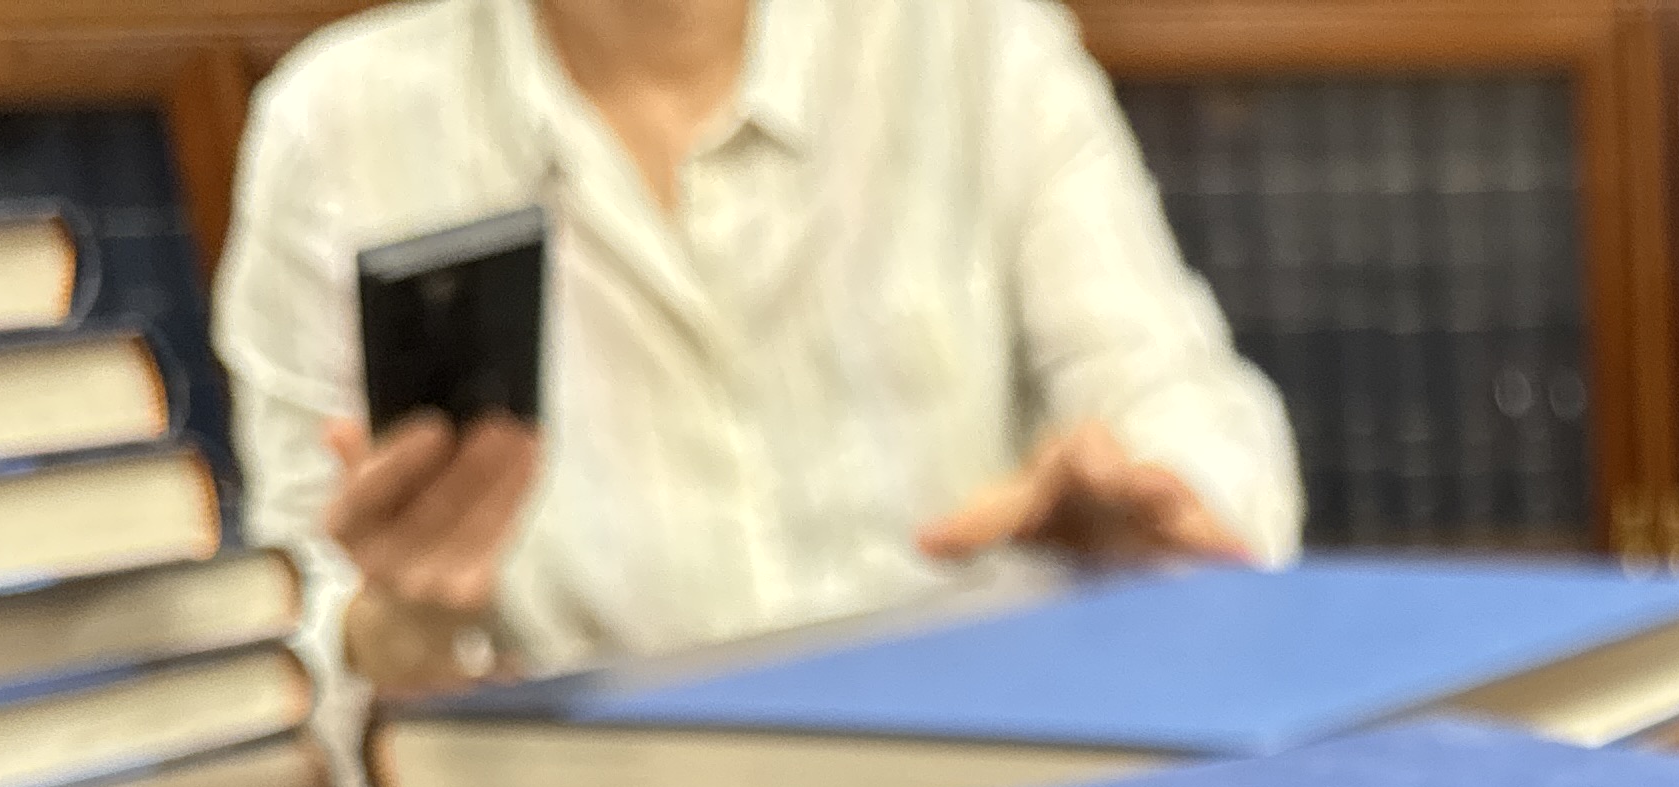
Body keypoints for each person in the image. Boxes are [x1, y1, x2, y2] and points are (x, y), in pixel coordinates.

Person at [212, 0, 1300, 694]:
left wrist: (1154, 515)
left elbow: (1185, 404)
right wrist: (396, 630)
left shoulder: (979, 42)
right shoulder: (336, 126)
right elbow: (296, 632)